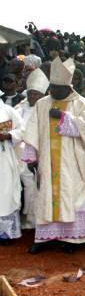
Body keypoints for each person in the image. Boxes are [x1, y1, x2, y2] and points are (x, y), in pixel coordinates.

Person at [22, 57, 85, 254]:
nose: (54, 91)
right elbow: (32, 129)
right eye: (52, 87)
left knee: (71, 197)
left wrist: (65, 118)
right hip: (48, 162)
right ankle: (44, 238)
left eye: (58, 88)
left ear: (68, 86)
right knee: (46, 196)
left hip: (73, 162)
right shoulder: (42, 104)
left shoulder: (81, 103)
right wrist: (32, 156)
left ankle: (72, 239)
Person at [14, 69, 49, 229]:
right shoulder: (19, 108)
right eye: (30, 93)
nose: (32, 97)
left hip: (36, 153)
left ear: (42, 95)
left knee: (32, 187)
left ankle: (31, 219)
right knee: (15, 186)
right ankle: (17, 216)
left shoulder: (46, 108)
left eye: (36, 94)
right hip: (16, 153)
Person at [0, 91, 24, 245]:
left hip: (4, 158)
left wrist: (8, 136)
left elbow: (23, 129)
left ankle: (5, 233)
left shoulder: (7, 111)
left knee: (5, 193)